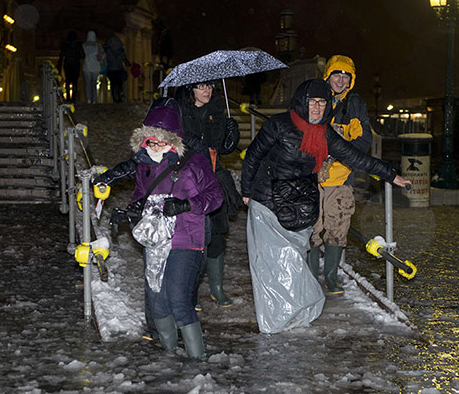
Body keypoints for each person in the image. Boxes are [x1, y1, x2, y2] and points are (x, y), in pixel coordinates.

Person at [240, 79, 409, 334]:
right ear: (301, 101)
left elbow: (354, 157)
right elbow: (253, 156)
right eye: (312, 102)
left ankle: (293, 311)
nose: (317, 108)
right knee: (272, 264)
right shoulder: (279, 125)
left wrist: (390, 174)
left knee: (292, 261)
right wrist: (245, 191)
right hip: (268, 201)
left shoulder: (325, 133)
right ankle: (275, 318)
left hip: (299, 203)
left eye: (322, 102)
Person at [126, 104, 223, 358]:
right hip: (156, 241)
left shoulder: (195, 162)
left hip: (186, 238)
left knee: (179, 300)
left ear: (173, 140)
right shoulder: (144, 165)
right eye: (150, 141)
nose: (155, 147)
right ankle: (170, 357)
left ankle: (196, 361)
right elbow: (140, 197)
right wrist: (132, 211)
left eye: (161, 141)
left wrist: (186, 205)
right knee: (158, 302)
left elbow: (215, 196)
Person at [308, 55, 372, 295]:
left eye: (346, 75)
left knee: (338, 227)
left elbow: (363, 139)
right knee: (312, 228)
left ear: (351, 80)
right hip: (313, 177)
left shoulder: (355, 104)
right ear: (328, 75)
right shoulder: (315, 97)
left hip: (341, 178)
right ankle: (311, 276)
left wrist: (338, 153)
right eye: (336, 74)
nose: (340, 79)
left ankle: (332, 277)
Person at [175, 82, 241, 308]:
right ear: (190, 89)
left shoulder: (217, 111)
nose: (207, 91)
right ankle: (189, 291)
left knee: (218, 235)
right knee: (193, 235)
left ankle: (217, 288)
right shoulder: (181, 112)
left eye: (210, 86)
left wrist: (231, 136)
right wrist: (192, 142)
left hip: (214, 178)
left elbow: (222, 147)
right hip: (190, 180)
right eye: (201, 86)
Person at [57, 31, 84, 103]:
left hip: (68, 65)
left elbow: (61, 56)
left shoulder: (65, 45)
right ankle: (73, 98)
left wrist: (59, 66)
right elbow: (83, 55)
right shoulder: (78, 45)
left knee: (68, 82)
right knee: (75, 82)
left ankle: (68, 98)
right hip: (75, 65)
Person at [103, 34, 130, 103]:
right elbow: (124, 59)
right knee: (119, 84)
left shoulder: (107, 50)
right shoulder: (120, 50)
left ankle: (115, 97)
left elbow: (103, 58)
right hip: (119, 69)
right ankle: (120, 96)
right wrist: (128, 64)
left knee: (113, 84)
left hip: (111, 69)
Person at [82, 30, 104, 104]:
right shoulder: (98, 45)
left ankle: (88, 99)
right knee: (94, 84)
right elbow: (103, 55)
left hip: (86, 67)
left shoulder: (84, 45)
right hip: (95, 67)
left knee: (87, 84)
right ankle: (94, 100)